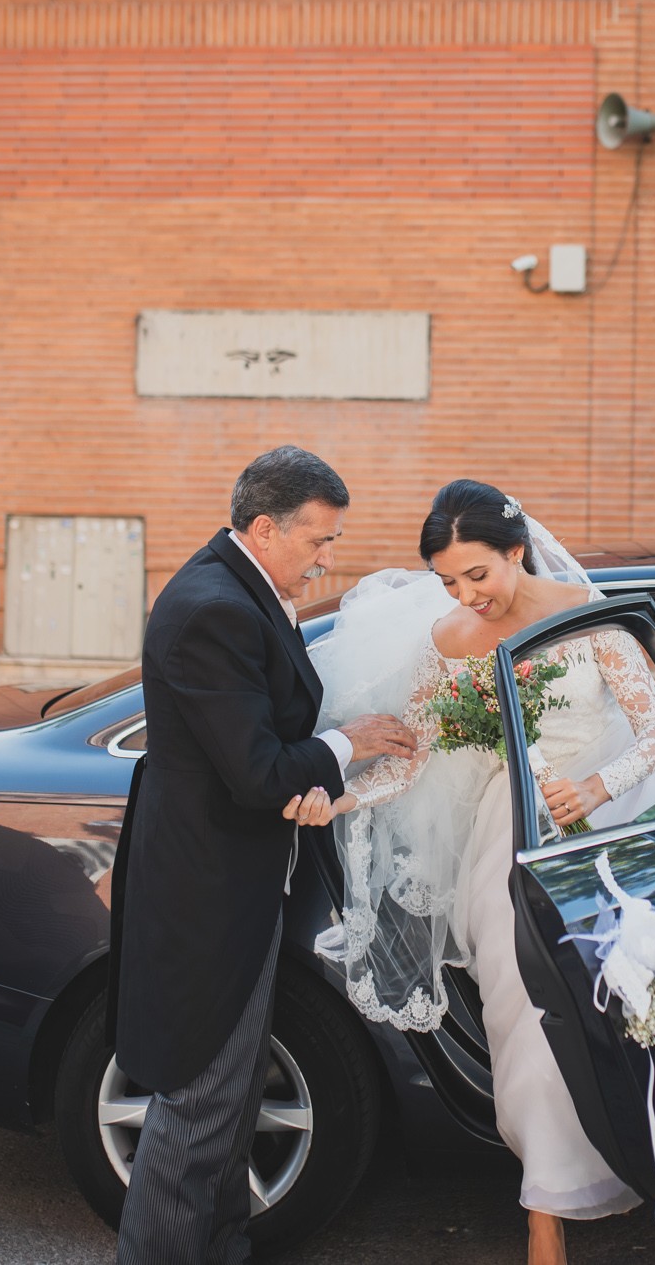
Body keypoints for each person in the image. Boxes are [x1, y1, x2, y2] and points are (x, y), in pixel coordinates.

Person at [297, 480, 655, 1265]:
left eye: (477, 575)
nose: (464, 595)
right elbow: (413, 758)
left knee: (615, 1002)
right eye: (450, 581)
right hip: (508, 833)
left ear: (516, 551)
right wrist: (340, 797)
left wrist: (596, 784)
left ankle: (643, 1157)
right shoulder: (449, 638)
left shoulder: (589, 616)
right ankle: (543, 1207)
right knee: (520, 1011)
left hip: (613, 822)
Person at [108, 446, 416, 1265]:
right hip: (205, 891)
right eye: (319, 541)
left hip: (235, 880)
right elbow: (258, 773)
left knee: (235, 1097)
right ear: (265, 526)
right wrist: (348, 743)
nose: (328, 560)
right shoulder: (216, 606)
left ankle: (221, 1248)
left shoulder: (247, 589)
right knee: (201, 1098)